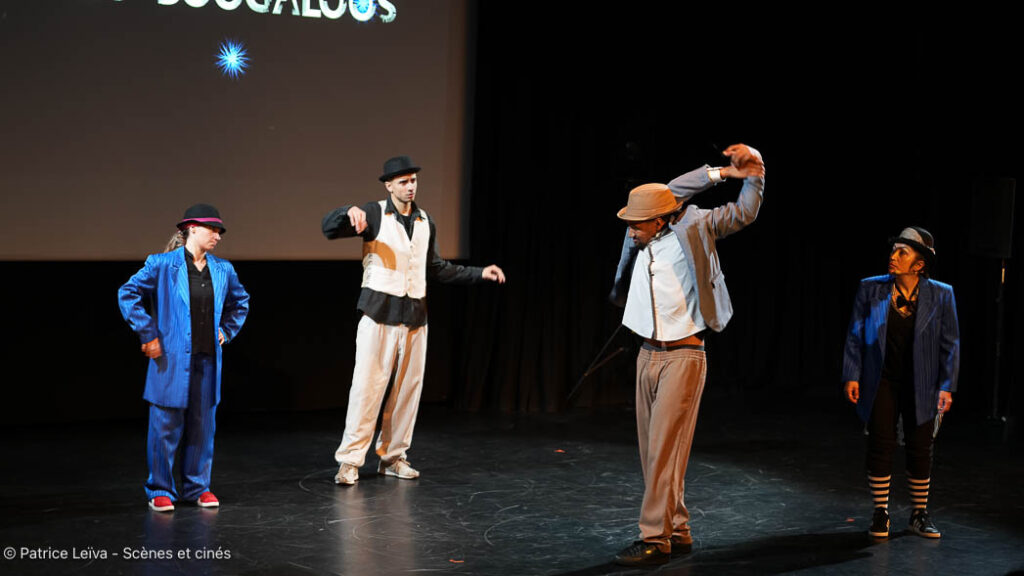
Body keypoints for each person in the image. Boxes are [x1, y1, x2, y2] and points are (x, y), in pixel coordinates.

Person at [607, 144, 765, 566]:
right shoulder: (641, 234)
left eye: (637, 224)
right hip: (647, 353)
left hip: (684, 355)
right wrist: (717, 173)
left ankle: (653, 537)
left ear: (660, 219)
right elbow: (668, 191)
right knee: (656, 453)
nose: (630, 231)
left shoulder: (697, 227)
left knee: (663, 450)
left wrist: (748, 173)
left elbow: (744, 212)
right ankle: (677, 527)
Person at [322, 155, 506, 485]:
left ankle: (393, 457)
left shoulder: (424, 221)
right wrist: (347, 211)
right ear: (389, 185)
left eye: (413, 180)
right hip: (379, 314)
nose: (410, 186)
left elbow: (436, 268)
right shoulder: (374, 213)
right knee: (366, 390)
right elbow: (329, 229)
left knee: (407, 392)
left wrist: (479, 273)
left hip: (415, 318)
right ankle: (350, 461)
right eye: (403, 181)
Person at [118, 204, 250, 512]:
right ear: (191, 228)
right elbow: (128, 293)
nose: (217, 235)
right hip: (172, 360)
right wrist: (148, 333)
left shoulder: (223, 269)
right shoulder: (162, 264)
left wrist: (226, 331)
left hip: (207, 360)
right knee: (164, 426)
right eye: (212, 229)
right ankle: (160, 488)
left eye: (219, 231)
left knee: (202, 427)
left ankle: (197, 487)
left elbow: (240, 302)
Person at [842, 227, 959, 539]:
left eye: (902, 253)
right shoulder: (871, 288)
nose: (893, 257)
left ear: (919, 264)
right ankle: (880, 512)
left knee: (921, 446)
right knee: (880, 443)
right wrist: (852, 374)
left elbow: (950, 343)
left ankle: (919, 514)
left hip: (924, 382)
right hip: (882, 379)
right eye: (893, 250)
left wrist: (947, 385)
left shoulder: (941, 294)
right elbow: (855, 334)